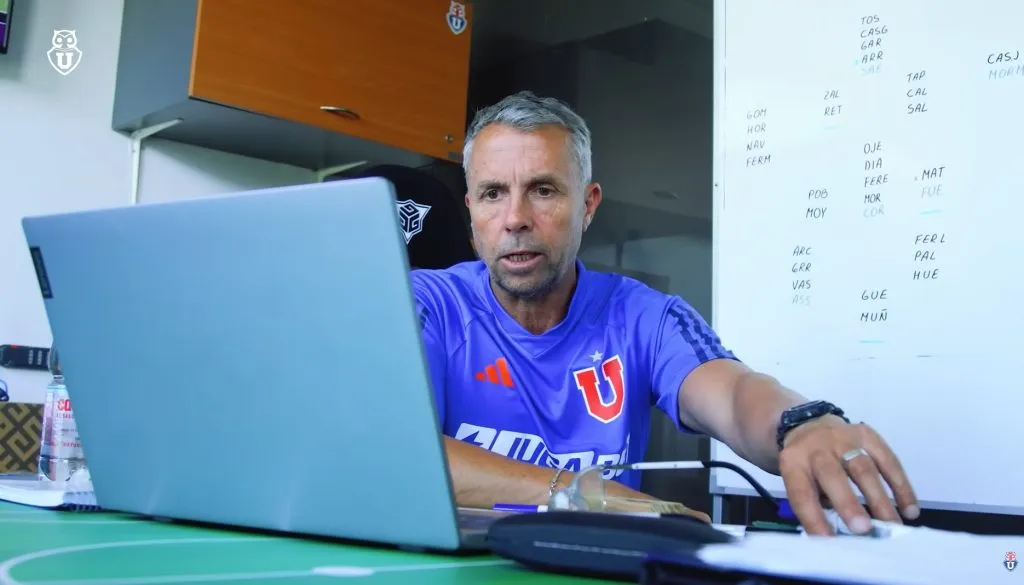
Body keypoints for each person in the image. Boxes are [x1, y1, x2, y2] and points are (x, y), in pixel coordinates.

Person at [409, 90, 920, 536]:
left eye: (543, 190)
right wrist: (603, 498)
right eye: (493, 194)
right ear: (471, 211)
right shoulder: (424, 304)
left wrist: (802, 424)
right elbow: (399, 452)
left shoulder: (643, 317)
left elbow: (734, 392)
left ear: (588, 205)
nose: (516, 219)